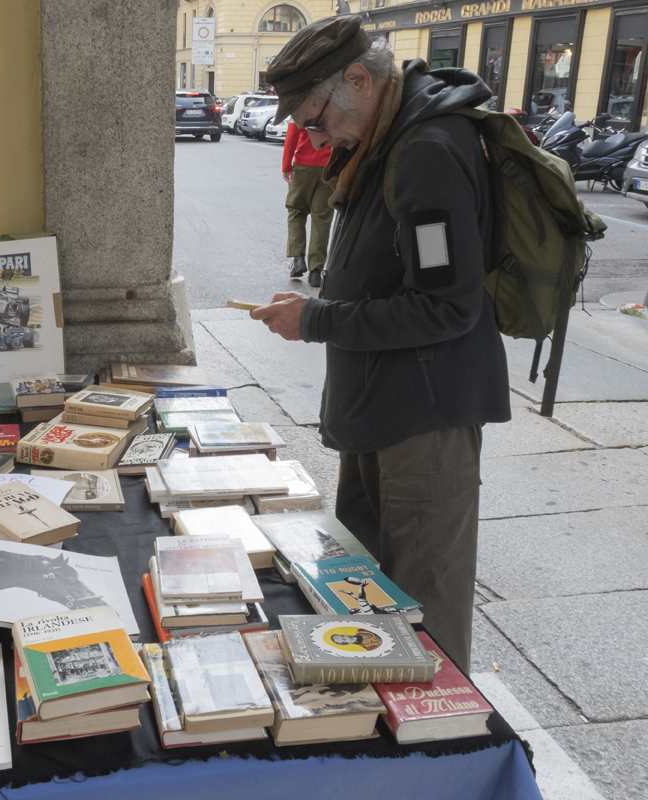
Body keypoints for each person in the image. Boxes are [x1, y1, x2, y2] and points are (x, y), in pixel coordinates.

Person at [250, 15, 511, 672]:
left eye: (311, 117)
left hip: (423, 419)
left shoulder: (424, 150)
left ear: (359, 80)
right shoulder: (386, 135)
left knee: (424, 607)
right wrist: (320, 310)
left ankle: (437, 749)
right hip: (383, 409)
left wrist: (317, 320)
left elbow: (448, 305)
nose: (308, 136)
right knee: (365, 590)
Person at [281, 121, 333, 286]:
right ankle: (316, 271)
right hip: (328, 168)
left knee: (296, 210)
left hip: (303, 167)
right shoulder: (334, 103)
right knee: (322, 218)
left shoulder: (304, 101)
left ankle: (298, 259)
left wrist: (286, 165)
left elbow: (292, 135)